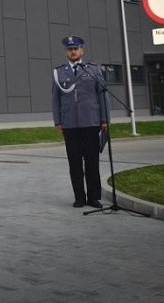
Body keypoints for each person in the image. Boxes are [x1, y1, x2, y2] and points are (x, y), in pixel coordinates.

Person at [51, 36, 109, 209]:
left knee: (92, 161)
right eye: (70, 49)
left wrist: (105, 119)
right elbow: (55, 99)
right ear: (66, 52)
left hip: (91, 121)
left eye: (76, 48)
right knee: (75, 162)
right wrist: (58, 122)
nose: (73, 51)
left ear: (82, 50)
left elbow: (102, 95)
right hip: (70, 124)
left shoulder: (93, 69)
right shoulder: (59, 72)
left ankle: (93, 197)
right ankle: (79, 197)